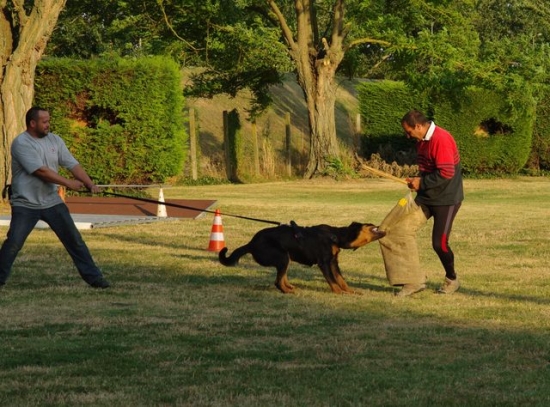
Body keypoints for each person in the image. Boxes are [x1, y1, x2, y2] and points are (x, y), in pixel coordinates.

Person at [0, 107, 109, 289]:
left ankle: (95, 278)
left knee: (74, 240)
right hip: (25, 203)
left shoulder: (55, 140)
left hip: (51, 201)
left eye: (48, 120)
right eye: (44, 121)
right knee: (14, 243)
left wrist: (90, 184)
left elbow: (72, 164)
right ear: (32, 123)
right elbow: (40, 171)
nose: (48, 124)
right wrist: (68, 183)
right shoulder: (21, 143)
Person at [399, 109, 464, 296]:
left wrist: (422, 182)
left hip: (447, 199)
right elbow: (430, 169)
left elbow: (446, 173)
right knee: (402, 229)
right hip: (428, 196)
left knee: (439, 243)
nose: (407, 135)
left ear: (418, 126)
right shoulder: (421, 141)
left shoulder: (440, 139)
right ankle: (413, 281)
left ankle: (452, 279)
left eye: (409, 131)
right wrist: (418, 180)